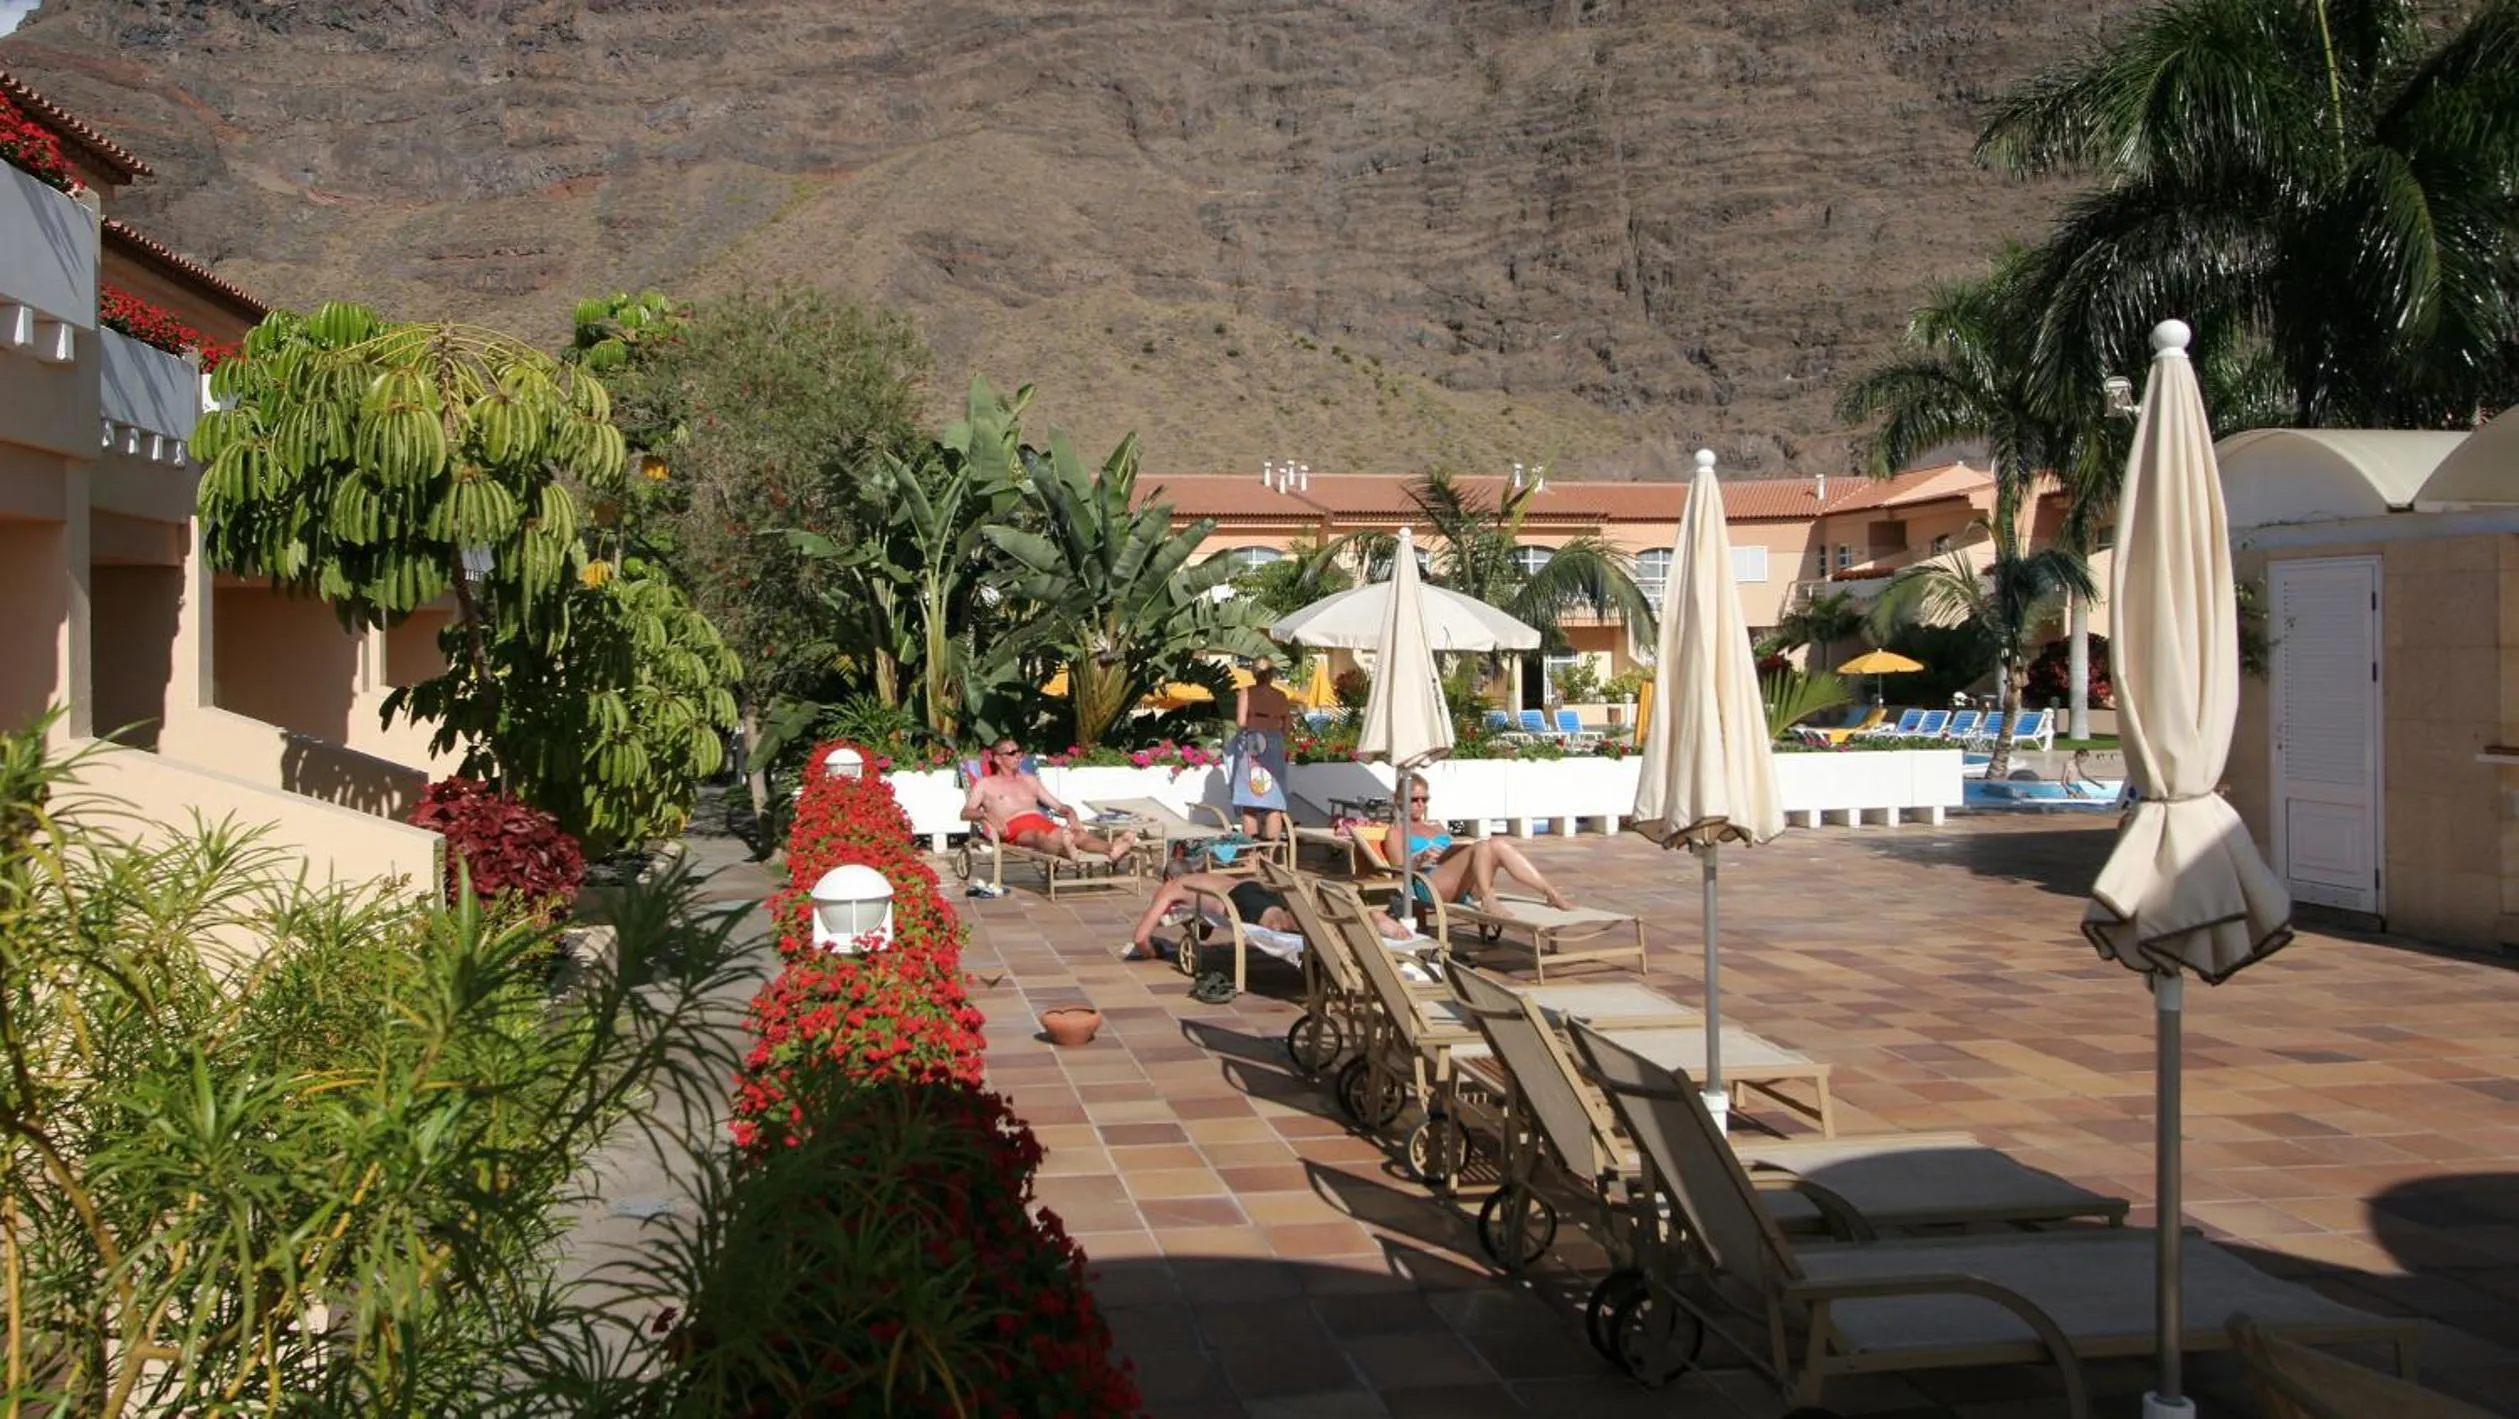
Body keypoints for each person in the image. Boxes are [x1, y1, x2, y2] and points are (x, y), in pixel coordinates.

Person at [1121, 862, 1412, 961]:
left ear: (1169, 877)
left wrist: (1152, 952)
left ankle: (1361, 922)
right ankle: (1362, 913)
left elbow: (1140, 936)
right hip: (1251, 885)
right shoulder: (1205, 877)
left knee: (1282, 922)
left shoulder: (1173, 886)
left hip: (1240, 898)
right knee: (1299, 908)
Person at [1389, 781, 1574, 917]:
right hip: (1428, 884)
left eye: (1424, 799)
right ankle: (1488, 899)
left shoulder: (1437, 827)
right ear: (1399, 801)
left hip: (1464, 886)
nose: (1421, 804)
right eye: (1414, 799)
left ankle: (1550, 892)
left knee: (1496, 843)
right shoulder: (1396, 832)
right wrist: (1419, 859)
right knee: (1481, 846)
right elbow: (1398, 873)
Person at [961, 739, 1141, 864]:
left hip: (1042, 822)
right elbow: (966, 812)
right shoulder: (986, 784)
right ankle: (1068, 851)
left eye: (1019, 752)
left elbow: (1058, 806)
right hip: (1014, 829)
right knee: (1039, 837)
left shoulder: (1029, 780)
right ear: (998, 759)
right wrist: (986, 815)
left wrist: (1071, 813)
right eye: (1012, 753)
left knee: (1077, 835)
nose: (1018, 756)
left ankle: (1111, 849)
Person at [1231, 656, 1293, 845]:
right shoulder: (1281, 696)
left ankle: (1253, 854)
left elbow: (1241, 722)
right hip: (1274, 743)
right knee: (1274, 801)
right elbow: (1287, 728)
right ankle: (1271, 854)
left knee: (1250, 801)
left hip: (1253, 741)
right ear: (1272, 674)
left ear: (1254, 673)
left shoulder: (1246, 692)